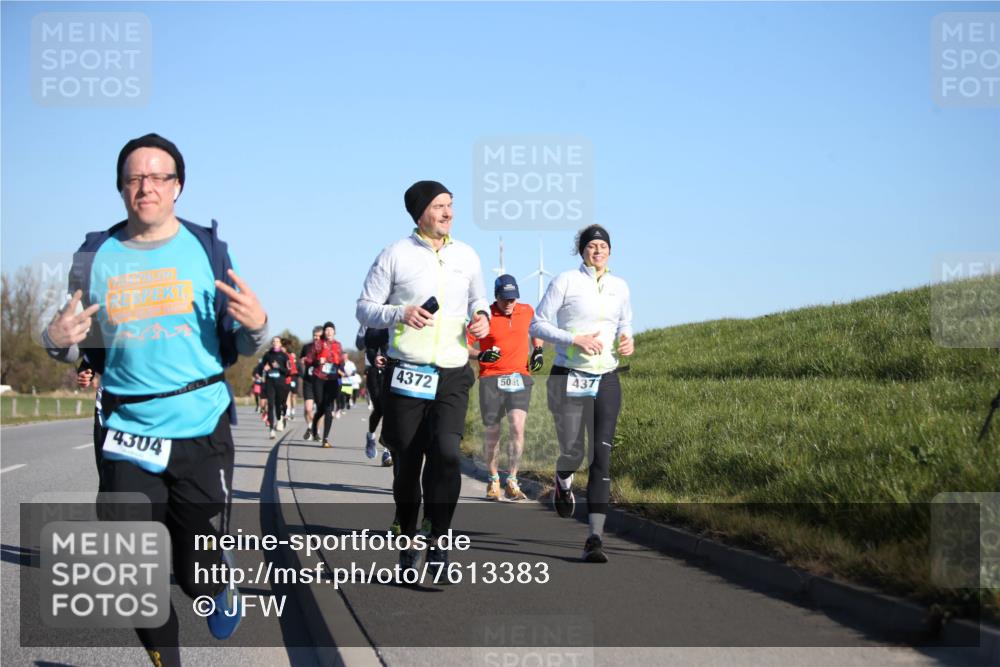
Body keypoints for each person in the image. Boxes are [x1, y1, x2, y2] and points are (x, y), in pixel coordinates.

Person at [43, 133, 269, 666]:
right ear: (121, 188)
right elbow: (70, 339)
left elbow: (240, 340)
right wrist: (55, 341)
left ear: (178, 187)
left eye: (159, 177)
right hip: (125, 427)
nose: (146, 187)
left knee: (196, 572)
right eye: (134, 178)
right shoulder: (94, 255)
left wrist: (258, 329)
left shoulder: (207, 250)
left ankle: (217, 586)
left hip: (199, 427)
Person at [357, 180, 489, 576]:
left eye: (451, 205)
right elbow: (364, 308)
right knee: (408, 465)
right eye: (439, 206)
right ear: (420, 213)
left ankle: (438, 537)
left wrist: (481, 317)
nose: (448, 213)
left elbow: (478, 300)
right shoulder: (395, 255)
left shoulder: (467, 255)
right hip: (407, 373)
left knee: (447, 455)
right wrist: (400, 313)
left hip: (452, 371)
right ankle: (409, 530)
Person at [529, 224, 633, 564]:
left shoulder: (620, 287)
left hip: (606, 376)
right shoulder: (565, 281)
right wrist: (575, 340)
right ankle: (563, 479)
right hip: (568, 375)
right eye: (592, 246)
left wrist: (627, 340)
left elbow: (624, 324)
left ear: (610, 251)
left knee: (602, 457)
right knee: (572, 451)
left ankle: (594, 538)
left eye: (603, 245)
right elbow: (538, 325)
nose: (598, 251)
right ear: (582, 251)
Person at [469, 274, 545, 501]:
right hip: (491, 378)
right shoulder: (485, 316)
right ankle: (493, 480)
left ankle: (512, 479)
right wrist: (480, 354)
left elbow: (537, 331)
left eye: (513, 298)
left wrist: (538, 349)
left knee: (517, 428)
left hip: (520, 377)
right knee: (493, 433)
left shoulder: (527, 311)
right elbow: (463, 345)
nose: (510, 303)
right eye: (505, 299)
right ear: (496, 297)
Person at [303, 321, 344, 447]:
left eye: (331, 330)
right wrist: (317, 361)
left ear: (334, 332)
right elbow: (308, 360)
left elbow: (341, 360)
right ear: (324, 332)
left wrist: (340, 367)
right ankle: (314, 426)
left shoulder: (338, 345)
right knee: (320, 406)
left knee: (328, 408)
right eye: (327, 330)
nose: (329, 332)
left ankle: (325, 438)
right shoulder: (318, 344)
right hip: (319, 378)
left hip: (332, 379)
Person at [356, 325, 392, 465]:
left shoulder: (401, 320)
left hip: (394, 371)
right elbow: (360, 345)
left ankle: (387, 450)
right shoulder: (372, 323)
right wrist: (364, 325)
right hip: (374, 371)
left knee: (390, 410)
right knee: (380, 409)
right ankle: (371, 436)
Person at [256, 336, 291, 438]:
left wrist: (278, 367)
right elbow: (260, 368)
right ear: (272, 343)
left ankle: (280, 420)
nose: (275, 343)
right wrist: (264, 368)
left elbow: (288, 371)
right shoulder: (267, 355)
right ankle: (271, 429)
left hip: (281, 383)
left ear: (280, 344)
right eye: (273, 341)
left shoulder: (284, 356)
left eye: (277, 341)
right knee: (270, 405)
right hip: (269, 383)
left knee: (279, 404)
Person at [300, 326, 322, 440]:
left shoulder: (326, 348)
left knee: (320, 410)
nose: (316, 338)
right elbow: (301, 360)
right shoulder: (306, 347)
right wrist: (303, 361)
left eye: (319, 336)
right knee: (308, 409)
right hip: (308, 381)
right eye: (315, 336)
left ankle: (317, 431)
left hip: (321, 382)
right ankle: (310, 426)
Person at [282, 337, 298, 420]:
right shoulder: (276, 356)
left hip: (290, 378)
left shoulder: (290, 356)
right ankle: (285, 413)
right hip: (281, 379)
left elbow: (293, 369)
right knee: (285, 396)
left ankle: (290, 412)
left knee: (291, 396)